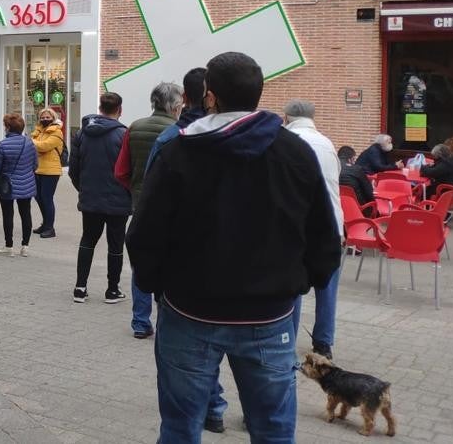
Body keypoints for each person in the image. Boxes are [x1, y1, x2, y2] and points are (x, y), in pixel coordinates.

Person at [127, 52, 342, 443]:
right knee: (273, 430)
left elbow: (143, 233)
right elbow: (325, 237)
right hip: (269, 315)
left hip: (189, 311)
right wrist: (295, 283)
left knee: (179, 428)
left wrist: (159, 286)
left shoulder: (180, 151)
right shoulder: (294, 153)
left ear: (209, 97)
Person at [133, 70, 204, 340]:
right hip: (170, 212)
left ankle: (140, 320)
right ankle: (166, 316)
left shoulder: (135, 127)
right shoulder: (175, 134)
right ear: (177, 104)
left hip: (142, 203)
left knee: (144, 260)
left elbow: (123, 169)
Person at [283, 99, 343, 361]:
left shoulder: (284, 142)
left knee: (292, 286)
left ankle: (287, 339)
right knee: (327, 288)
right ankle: (324, 342)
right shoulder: (328, 144)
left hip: (298, 228)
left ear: (286, 117)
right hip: (332, 225)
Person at [69, 92, 131, 304]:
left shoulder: (83, 134)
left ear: (100, 108)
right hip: (118, 200)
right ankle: (112, 290)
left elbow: (73, 169)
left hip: (91, 198)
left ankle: (80, 287)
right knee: (116, 245)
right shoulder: (124, 135)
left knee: (88, 240)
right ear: (120, 110)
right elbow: (129, 169)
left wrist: (83, 188)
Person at [0, 113, 38, 257]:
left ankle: (9, 245)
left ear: (8, 127)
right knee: (25, 213)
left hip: (7, 184)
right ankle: (25, 246)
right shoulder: (29, 143)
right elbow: (35, 164)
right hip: (27, 183)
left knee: (8, 214)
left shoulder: (2, 145)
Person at [30, 108, 65, 238]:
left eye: (47, 117)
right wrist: (36, 144)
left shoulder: (57, 132)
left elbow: (44, 146)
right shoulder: (38, 132)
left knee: (47, 198)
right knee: (38, 197)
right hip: (37, 168)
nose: (45, 119)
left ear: (53, 118)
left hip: (51, 170)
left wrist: (32, 142)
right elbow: (38, 146)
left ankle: (50, 228)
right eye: (42, 117)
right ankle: (45, 224)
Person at [337, 145, 375, 210]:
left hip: (337, 207)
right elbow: (369, 194)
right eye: (354, 159)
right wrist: (372, 188)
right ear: (350, 159)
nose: (354, 162)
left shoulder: (332, 168)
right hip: (357, 209)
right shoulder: (357, 169)